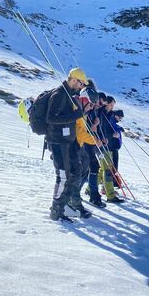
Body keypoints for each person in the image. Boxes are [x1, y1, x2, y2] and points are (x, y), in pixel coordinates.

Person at [46, 67, 91, 222]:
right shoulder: (59, 94)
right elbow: (51, 118)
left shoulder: (70, 95)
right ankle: (56, 211)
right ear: (73, 79)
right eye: (80, 83)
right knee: (63, 176)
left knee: (75, 172)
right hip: (58, 142)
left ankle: (63, 206)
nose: (81, 87)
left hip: (68, 142)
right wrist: (76, 115)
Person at [76, 87, 106, 208]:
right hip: (86, 143)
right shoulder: (84, 110)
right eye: (97, 103)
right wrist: (94, 128)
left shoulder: (92, 110)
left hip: (90, 142)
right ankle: (89, 195)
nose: (96, 105)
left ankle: (87, 194)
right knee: (89, 168)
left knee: (89, 168)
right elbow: (84, 129)